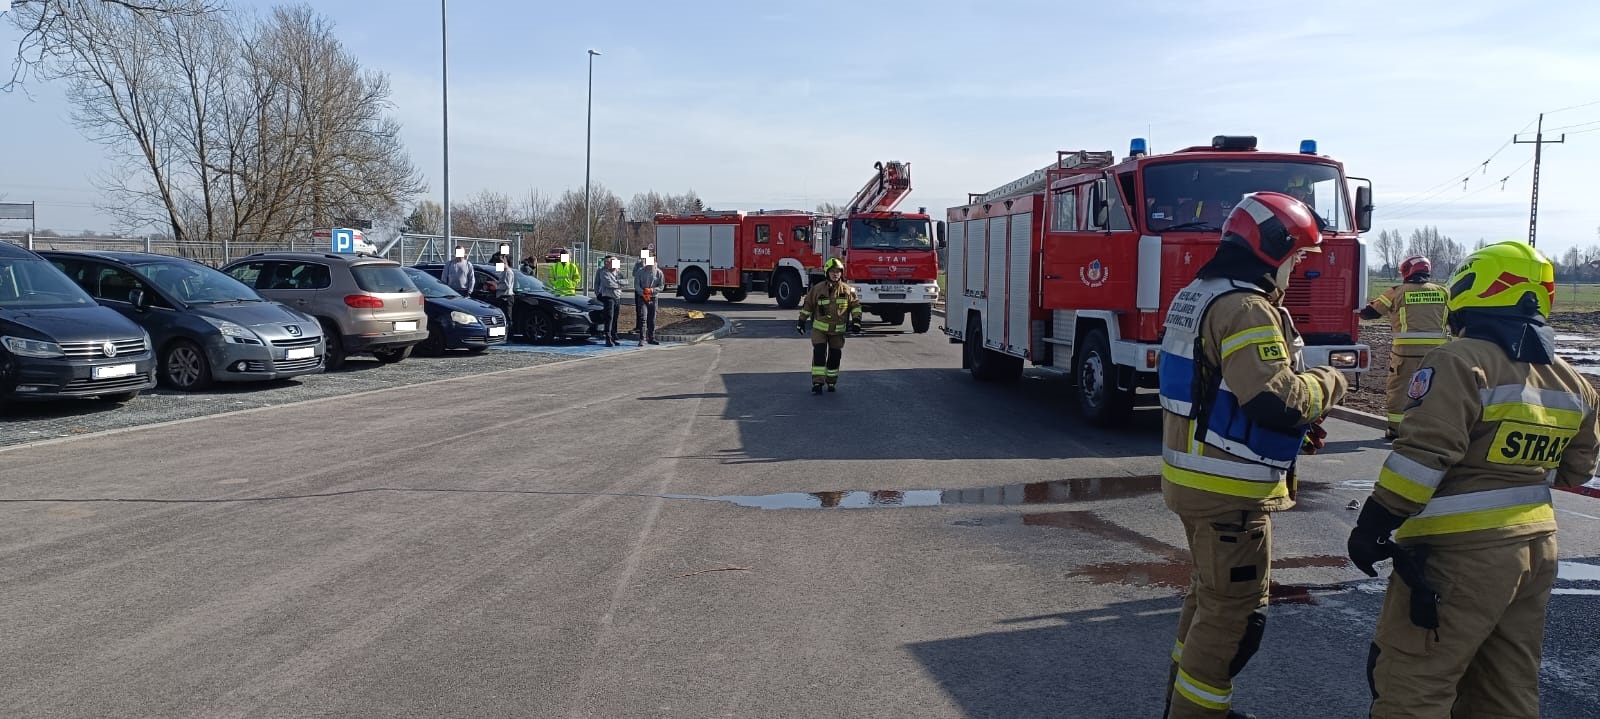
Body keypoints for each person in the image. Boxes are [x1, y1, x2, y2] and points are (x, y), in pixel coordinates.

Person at [1348, 241, 1597, 719]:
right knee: (1505, 689)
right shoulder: (1573, 382)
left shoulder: (1458, 360)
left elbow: (1423, 457)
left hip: (1458, 553)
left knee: (1414, 685)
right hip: (1536, 550)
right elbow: (1576, 470)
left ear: (1474, 290)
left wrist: (1373, 524)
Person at [1155, 191, 1349, 719]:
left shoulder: (1198, 293)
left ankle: (1181, 703)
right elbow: (1276, 399)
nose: (1296, 269)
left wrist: (1291, 434)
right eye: (1296, 257)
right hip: (1228, 495)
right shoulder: (1247, 307)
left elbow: (1213, 392)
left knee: (1208, 600)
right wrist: (1331, 382)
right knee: (1234, 619)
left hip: (1194, 479)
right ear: (1272, 249)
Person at [1361, 254, 1451, 438]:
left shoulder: (1396, 292)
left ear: (1406, 271)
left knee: (1399, 390)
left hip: (1406, 354)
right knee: (1435, 391)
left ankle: (1396, 429)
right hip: (1437, 355)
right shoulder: (1443, 292)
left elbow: (1369, 314)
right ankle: (1432, 430)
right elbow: (1456, 319)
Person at [796, 258, 862, 393]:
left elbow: (855, 306)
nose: (835, 274)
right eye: (832, 271)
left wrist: (856, 321)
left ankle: (831, 382)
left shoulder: (848, 290)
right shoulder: (817, 289)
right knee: (819, 354)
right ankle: (817, 383)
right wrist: (801, 321)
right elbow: (808, 305)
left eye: (838, 271)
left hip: (837, 332)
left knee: (834, 357)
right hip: (820, 330)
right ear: (827, 273)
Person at [633, 253, 664, 346]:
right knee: (643, 317)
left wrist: (652, 290)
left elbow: (661, 286)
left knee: (652, 318)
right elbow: (636, 285)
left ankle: (651, 337)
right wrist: (643, 293)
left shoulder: (659, 273)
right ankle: (642, 338)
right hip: (642, 298)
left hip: (653, 298)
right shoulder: (640, 272)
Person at [594, 255, 623, 346]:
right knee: (609, 317)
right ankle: (608, 337)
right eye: (606, 262)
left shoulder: (619, 272)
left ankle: (614, 336)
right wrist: (597, 293)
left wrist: (618, 284)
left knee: (615, 317)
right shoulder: (603, 272)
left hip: (617, 297)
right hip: (607, 296)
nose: (606, 263)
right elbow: (608, 284)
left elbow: (625, 282)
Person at [489, 247, 516, 327]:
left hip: (506, 297)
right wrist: (495, 282)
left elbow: (507, 285)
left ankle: (509, 331)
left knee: (507, 317)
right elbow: (502, 282)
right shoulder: (503, 272)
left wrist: (496, 287)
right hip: (502, 297)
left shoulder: (508, 272)